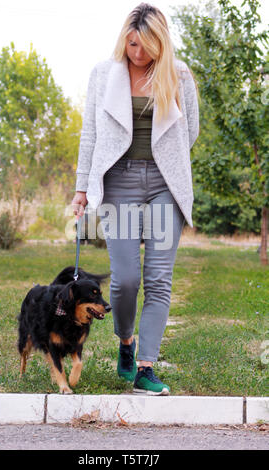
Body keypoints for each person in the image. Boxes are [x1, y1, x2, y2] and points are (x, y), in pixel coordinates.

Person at [71, 2, 199, 395]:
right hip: (120, 184)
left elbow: (189, 130)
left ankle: (146, 367)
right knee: (125, 280)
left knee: (158, 279)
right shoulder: (103, 75)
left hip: (164, 185)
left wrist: (165, 165)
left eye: (145, 46)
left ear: (160, 43)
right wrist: (81, 187)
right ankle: (126, 342)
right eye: (131, 44)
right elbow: (90, 133)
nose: (137, 53)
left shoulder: (178, 75)